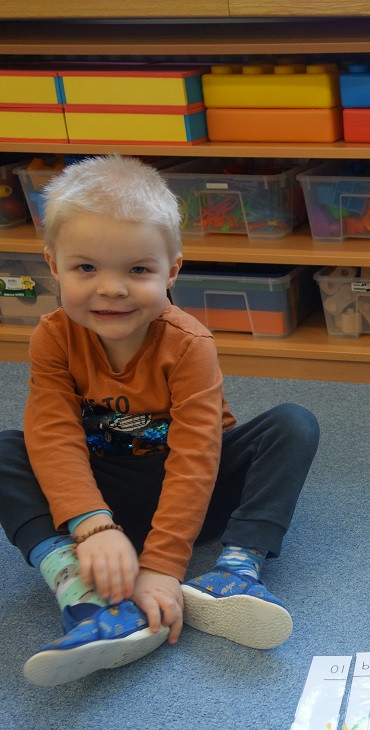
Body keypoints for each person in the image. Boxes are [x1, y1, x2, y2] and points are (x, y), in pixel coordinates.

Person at [0, 155, 320, 687]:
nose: (111, 289)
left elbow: (197, 455)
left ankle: (234, 570)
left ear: (171, 270)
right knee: (8, 449)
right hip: (104, 496)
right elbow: (53, 436)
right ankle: (82, 592)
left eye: (137, 270)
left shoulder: (189, 344)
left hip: (196, 494)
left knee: (293, 424)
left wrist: (164, 566)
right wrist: (92, 526)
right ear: (53, 265)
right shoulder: (52, 338)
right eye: (86, 268)